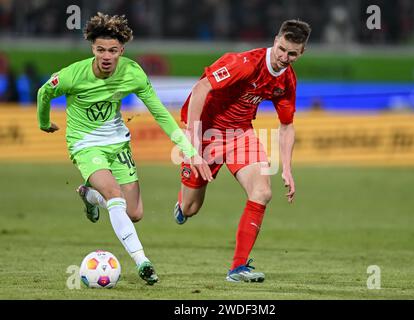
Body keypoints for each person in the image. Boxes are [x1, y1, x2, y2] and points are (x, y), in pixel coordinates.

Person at [37, 13, 211, 286]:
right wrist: (44, 122)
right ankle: (143, 261)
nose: (107, 56)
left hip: (118, 143)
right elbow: (43, 92)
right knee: (114, 194)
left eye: (113, 51)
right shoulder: (73, 75)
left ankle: (90, 196)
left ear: (122, 51)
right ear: (93, 48)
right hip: (85, 144)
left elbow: (160, 113)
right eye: (101, 50)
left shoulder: (133, 73)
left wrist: (188, 149)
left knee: (134, 213)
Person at [174, 19, 311, 282]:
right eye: (282, 49)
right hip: (207, 133)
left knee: (262, 192)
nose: (285, 57)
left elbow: (286, 126)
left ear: (301, 53)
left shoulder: (287, 81)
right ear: (275, 40)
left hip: (240, 135)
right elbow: (201, 88)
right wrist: (191, 145)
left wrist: (288, 169)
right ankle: (181, 205)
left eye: (292, 53)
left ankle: (238, 268)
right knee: (191, 209)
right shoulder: (244, 63)